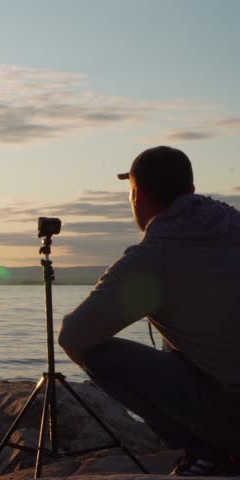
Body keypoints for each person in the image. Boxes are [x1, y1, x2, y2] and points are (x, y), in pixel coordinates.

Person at [57, 146, 240, 477]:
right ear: (192, 192)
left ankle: (211, 452)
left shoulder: (154, 257)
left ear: (137, 194)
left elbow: (74, 336)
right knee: (184, 335)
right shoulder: (233, 226)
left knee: (100, 355)